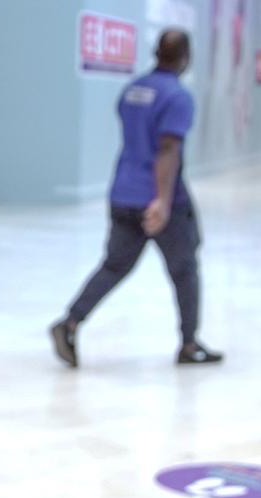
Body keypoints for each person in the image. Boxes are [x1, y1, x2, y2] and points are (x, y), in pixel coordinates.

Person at [51, 29, 222, 369]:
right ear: (186, 57)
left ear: (156, 52)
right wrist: (161, 200)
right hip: (160, 198)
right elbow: (168, 150)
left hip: (123, 191)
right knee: (185, 269)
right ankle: (189, 344)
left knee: (115, 265)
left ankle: (70, 323)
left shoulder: (133, 90)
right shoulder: (177, 97)